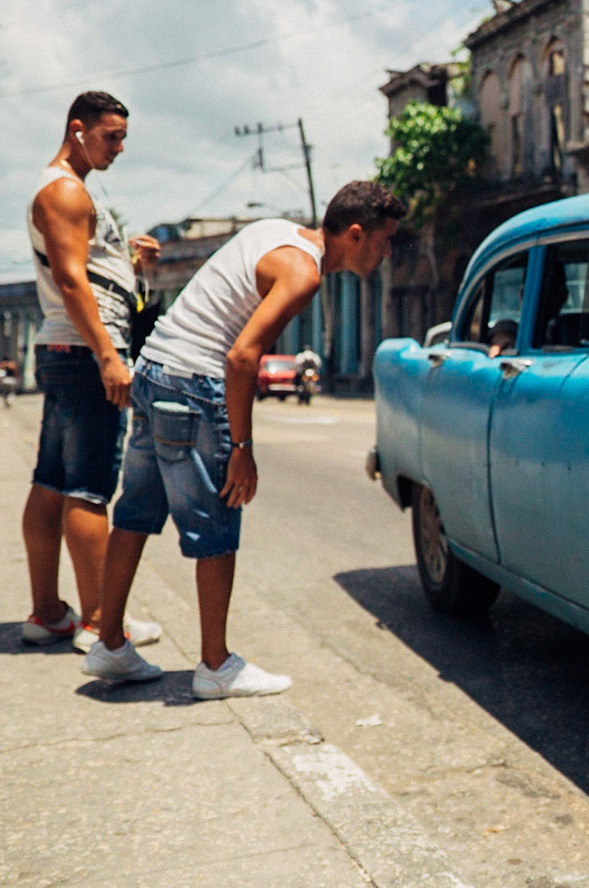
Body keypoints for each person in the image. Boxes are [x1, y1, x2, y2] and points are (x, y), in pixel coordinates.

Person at [84, 180, 405, 695]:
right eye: (386, 240)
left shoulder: (276, 231)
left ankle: (109, 644)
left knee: (136, 512)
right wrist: (241, 450)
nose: (389, 252)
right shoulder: (303, 273)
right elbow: (240, 357)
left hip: (155, 369)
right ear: (355, 233)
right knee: (215, 524)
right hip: (193, 382)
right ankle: (214, 666)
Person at [22, 90, 164, 653]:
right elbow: (70, 280)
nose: (119, 147)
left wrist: (129, 263)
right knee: (89, 488)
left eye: (123, 137)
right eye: (111, 136)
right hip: (83, 354)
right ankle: (101, 624)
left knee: (53, 480)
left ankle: (48, 613)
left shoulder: (69, 190)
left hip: (68, 351)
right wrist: (108, 354)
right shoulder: (63, 190)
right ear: (77, 129)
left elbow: (86, 269)